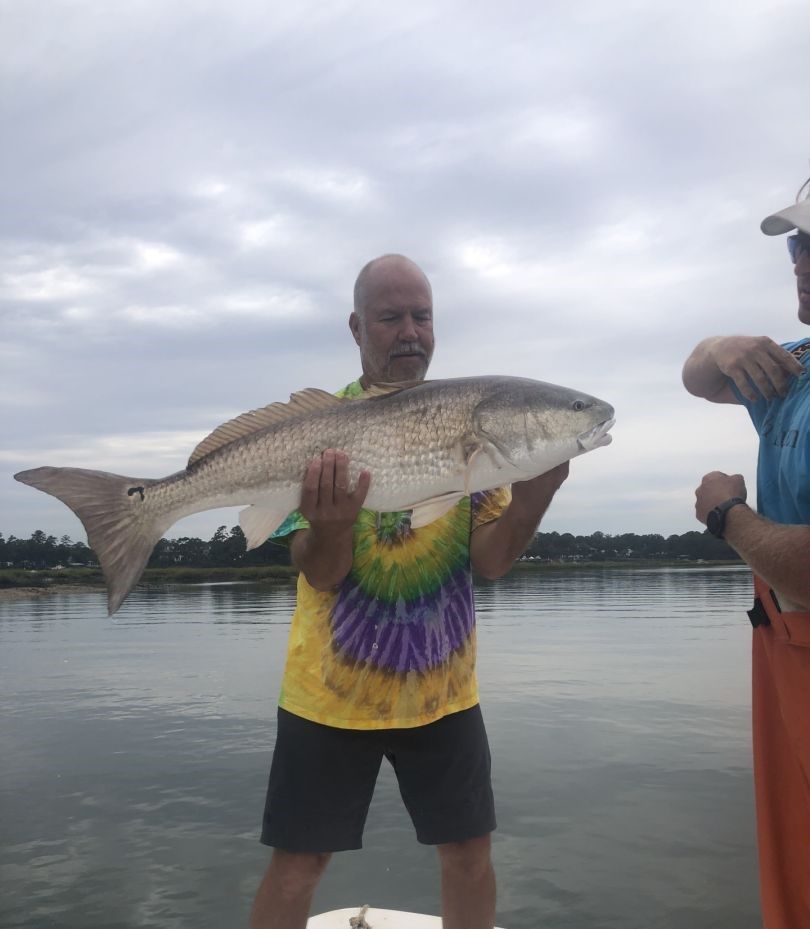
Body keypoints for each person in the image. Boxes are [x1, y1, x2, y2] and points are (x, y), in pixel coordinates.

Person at [249, 254, 571, 929]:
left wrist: (534, 499)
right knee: (298, 863)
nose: (410, 332)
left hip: (443, 688)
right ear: (356, 326)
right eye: (391, 317)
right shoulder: (318, 435)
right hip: (330, 691)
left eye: (422, 316)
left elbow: (490, 561)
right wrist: (333, 526)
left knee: (469, 855)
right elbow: (320, 571)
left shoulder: (475, 429)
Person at [682, 176, 810, 929]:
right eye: (798, 244)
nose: (800, 260)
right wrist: (719, 344)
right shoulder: (792, 365)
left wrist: (729, 516)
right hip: (783, 652)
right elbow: (698, 377)